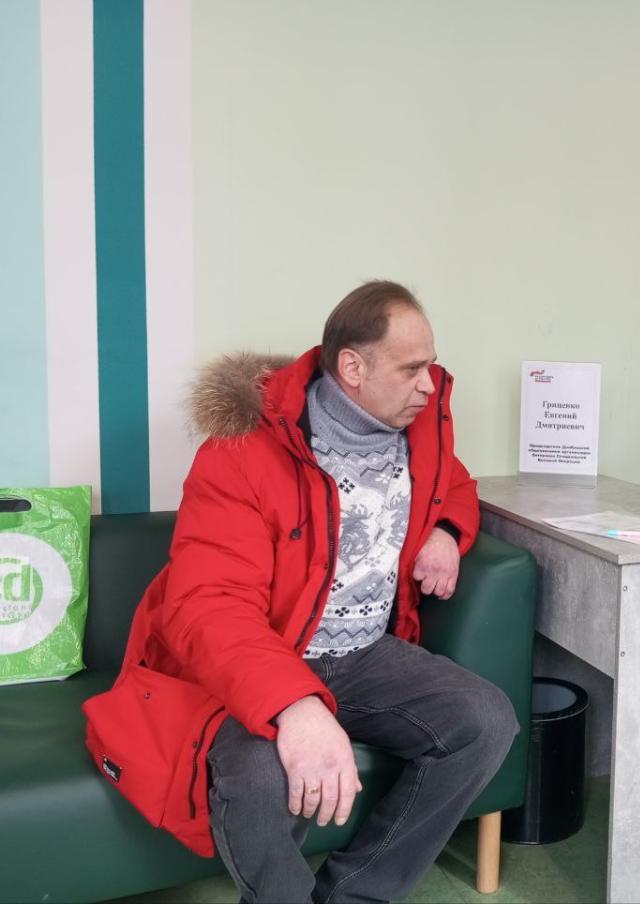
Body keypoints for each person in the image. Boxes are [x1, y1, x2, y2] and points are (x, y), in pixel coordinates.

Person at [84, 281, 518, 903]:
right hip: (268, 653)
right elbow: (208, 603)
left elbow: (453, 484)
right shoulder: (240, 454)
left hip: (365, 653)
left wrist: (447, 530)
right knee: (261, 775)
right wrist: (295, 705)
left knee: (485, 721)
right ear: (353, 368)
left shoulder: (419, 430)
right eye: (411, 368)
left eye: (432, 366)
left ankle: (354, 895)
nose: (429, 385)